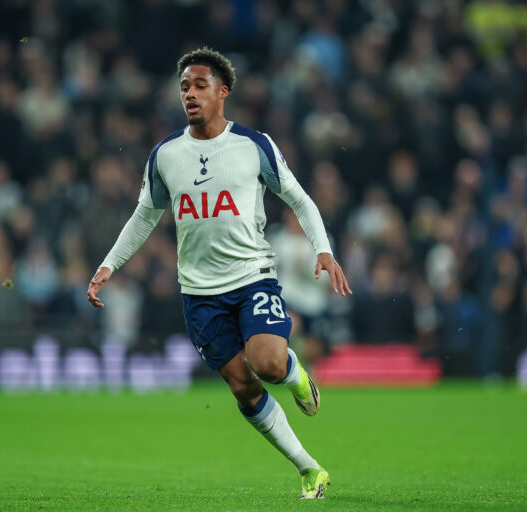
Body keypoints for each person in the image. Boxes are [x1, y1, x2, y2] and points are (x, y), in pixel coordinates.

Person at [88, 47, 352, 499]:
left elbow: (300, 199)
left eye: (199, 86)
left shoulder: (254, 145)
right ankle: (309, 469)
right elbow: (144, 216)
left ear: (222, 92)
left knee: (268, 364)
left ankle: (296, 375)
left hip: (252, 277)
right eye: (184, 87)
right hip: (198, 294)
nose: (189, 94)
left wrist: (323, 249)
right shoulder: (166, 154)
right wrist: (109, 264)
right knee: (242, 386)